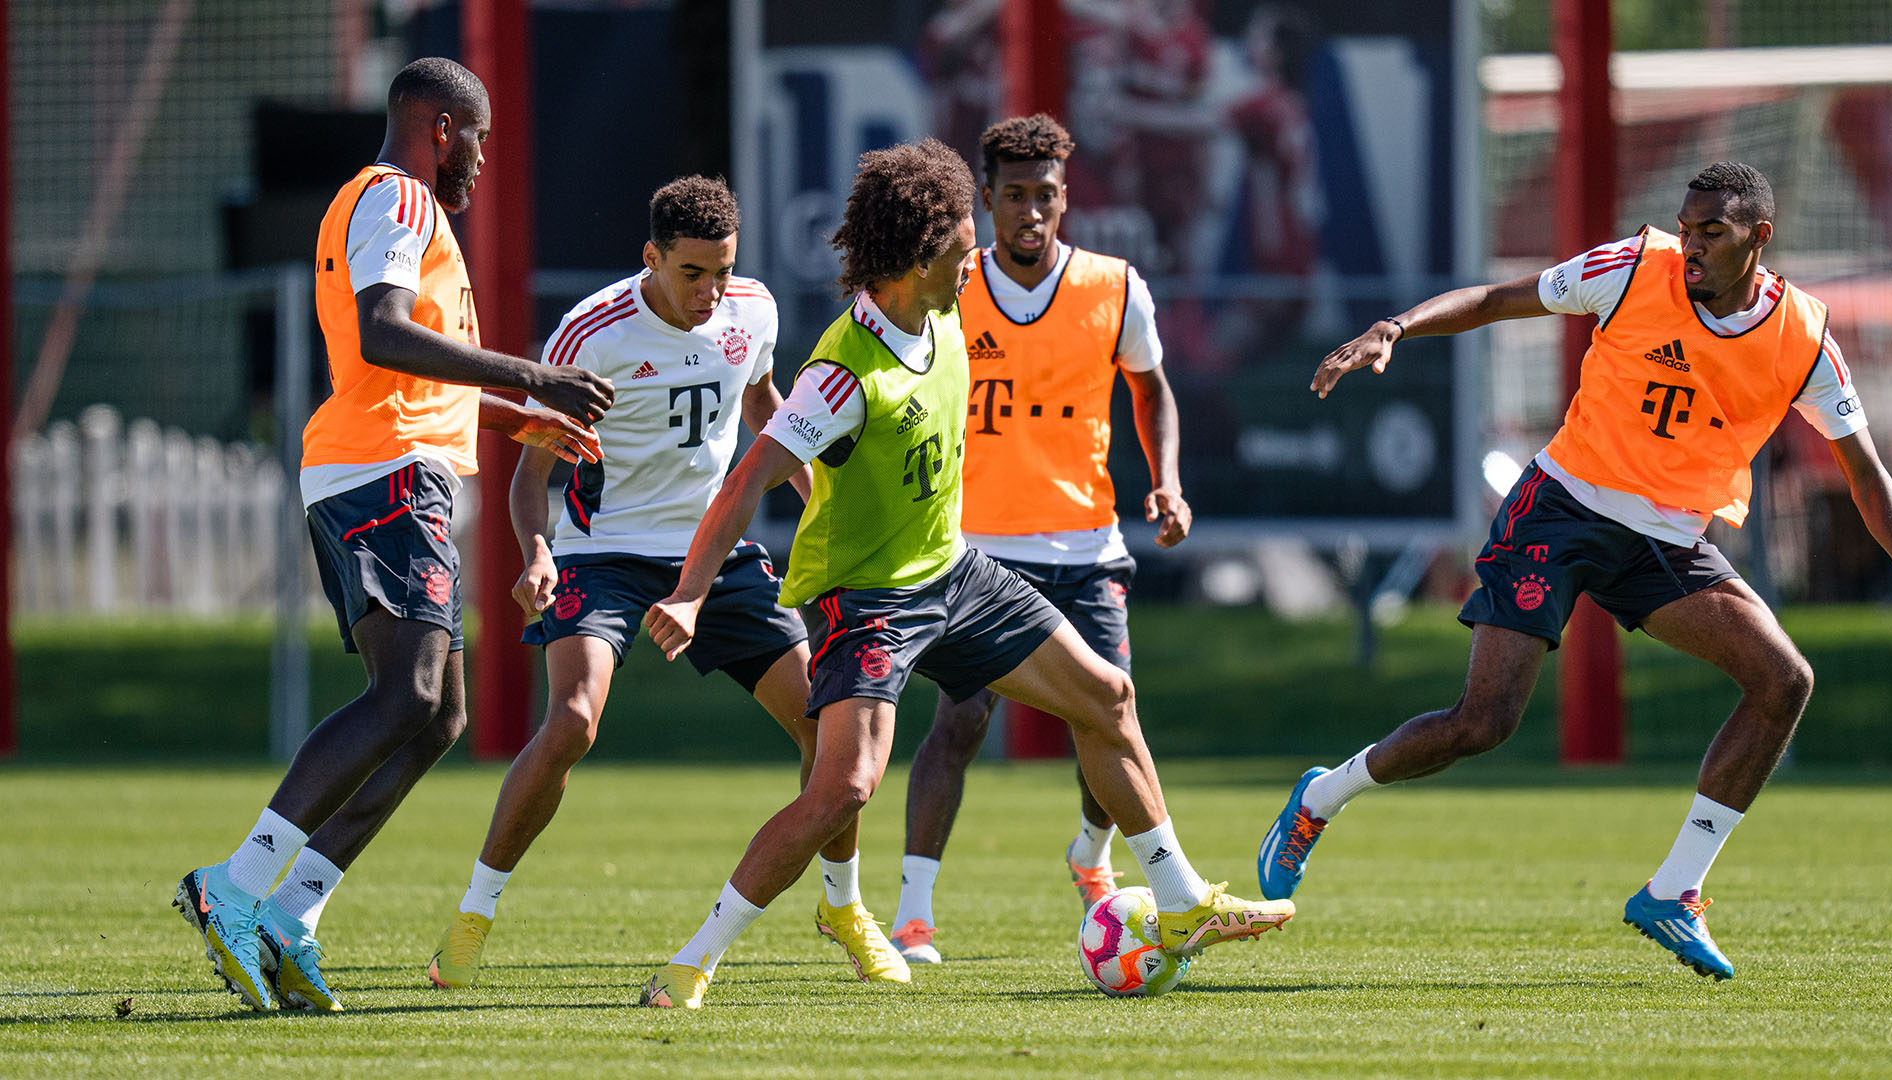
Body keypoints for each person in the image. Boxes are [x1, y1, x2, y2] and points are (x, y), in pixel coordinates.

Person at [637, 138, 1293, 1010]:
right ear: (918, 254)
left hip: (955, 572)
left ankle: (1179, 904)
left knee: (1110, 698)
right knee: (844, 788)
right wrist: (686, 595)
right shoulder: (842, 373)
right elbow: (747, 480)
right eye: (958, 241)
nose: (974, 253)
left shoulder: (945, 312)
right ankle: (694, 959)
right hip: (867, 598)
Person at [1258, 162, 1892, 981]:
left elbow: (1865, 472)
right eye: (1687, 228)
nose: (1691, 247)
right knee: (1484, 723)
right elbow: (1499, 299)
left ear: (1759, 237)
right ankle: (1321, 797)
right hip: (1561, 512)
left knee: (1784, 680)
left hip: (1667, 542)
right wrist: (1395, 327)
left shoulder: (1806, 338)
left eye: (1711, 232)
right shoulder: (1632, 268)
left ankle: (1674, 892)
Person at [172, 57, 614, 1013]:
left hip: (389, 466)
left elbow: (415, 373)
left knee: (437, 713)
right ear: (442, 128)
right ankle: (236, 886)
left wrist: (512, 418)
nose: (486, 161)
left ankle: (292, 911)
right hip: (383, 473)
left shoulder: (390, 208)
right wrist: (535, 377)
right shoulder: (401, 202)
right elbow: (381, 333)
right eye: (480, 139)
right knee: (405, 691)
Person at [423, 176, 870, 988]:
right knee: (572, 721)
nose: (712, 291)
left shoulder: (754, 311)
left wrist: (823, 512)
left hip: (717, 550)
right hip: (603, 557)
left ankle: (842, 903)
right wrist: (536, 550)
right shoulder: (589, 334)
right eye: (693, 273)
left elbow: (771, 409)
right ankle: (471, 919)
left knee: (827, 724)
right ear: (651, 258)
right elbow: (531, 473)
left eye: (723, 271)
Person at [885, 114, 1191, 966]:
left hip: (1087, 546)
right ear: (983, 200)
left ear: (1066, 199)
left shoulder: (1114, 285)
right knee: (961, 719)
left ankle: (1091, 855)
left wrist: (1164, 479)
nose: (1029, 212)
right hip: (974, 548)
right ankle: (915, 914)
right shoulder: (950, 286)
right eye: (1012, 195)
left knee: (1111, 710)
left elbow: (1152, 387)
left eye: (1044, 196)